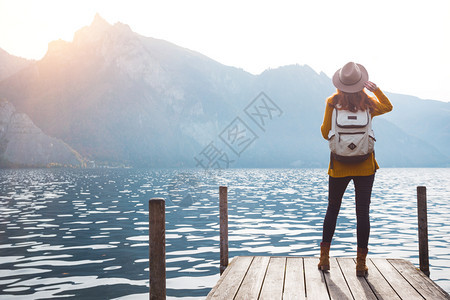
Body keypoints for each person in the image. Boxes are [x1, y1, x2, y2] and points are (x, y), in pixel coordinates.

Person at [318, 62, 393, 276]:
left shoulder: (332, 103)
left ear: (340, 83)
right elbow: (388, 107)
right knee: (362, 213)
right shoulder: (369, 103)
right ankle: (361, 264)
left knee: (333, 208)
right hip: (365, 165)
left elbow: (325, 133)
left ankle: (324, 259)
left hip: (339, 164)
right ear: (361, 83)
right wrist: (376, 90)